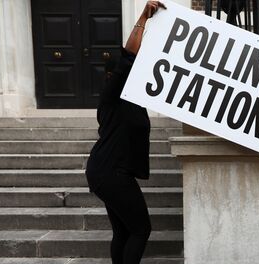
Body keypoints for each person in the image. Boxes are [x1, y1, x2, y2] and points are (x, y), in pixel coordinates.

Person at [85, 1, 166, 263]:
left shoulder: (131, 99)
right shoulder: (113, 95)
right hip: (110, 172)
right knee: (141, 229)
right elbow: (129, 55)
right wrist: (144, 17)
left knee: (123, 231)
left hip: (110, 171)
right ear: (113, 76)